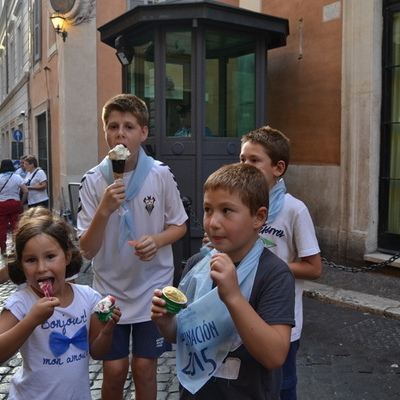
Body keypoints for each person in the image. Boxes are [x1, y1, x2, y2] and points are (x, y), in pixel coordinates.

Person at [151, 163, 295, 399]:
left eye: (227, 210)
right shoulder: (197, 264)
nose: (213, 222)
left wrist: (233, 297)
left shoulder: (274, 274)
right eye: (208, 209)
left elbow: (274, 356)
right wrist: (166, 322)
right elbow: (183, 334)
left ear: (258, 217)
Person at [77, 93, 188, 400]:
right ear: (105, 132)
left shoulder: (160, 175)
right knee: (113, 371)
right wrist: (103, 210)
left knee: (144, 368)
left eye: (128, 126)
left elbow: (180, 224)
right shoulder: (92, 181)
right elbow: (86, 250)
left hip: (152, 286)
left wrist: (158, 240)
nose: (120, 133)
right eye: (113, 126)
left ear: (143, 133)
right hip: (110, 289)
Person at [0, 212, 121, 399]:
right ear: (21, 265)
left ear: (67, 256)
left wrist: (107, 331)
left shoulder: (88, 298)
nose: (41, 268)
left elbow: (97, 352)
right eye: (31, 260)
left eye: (50, 256)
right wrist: (31, 320)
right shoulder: (21, 303)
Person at [240, 126, 322, 400]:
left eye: (254, 160)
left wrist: (270, 269)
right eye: (242, 159)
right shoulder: (239, 205)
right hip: (242, 318)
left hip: (281, 322)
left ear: (278, 168)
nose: (246, 166)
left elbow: (314, 267)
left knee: (281, 388)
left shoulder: (294, 209)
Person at [0, 159, 28, 255]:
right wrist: (21, 202)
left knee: (2, 227)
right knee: (15, 226)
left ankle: (3, 249)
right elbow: (25, 191)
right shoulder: (17, 177)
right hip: (15, 203)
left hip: (2, 204)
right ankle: (15, 247)